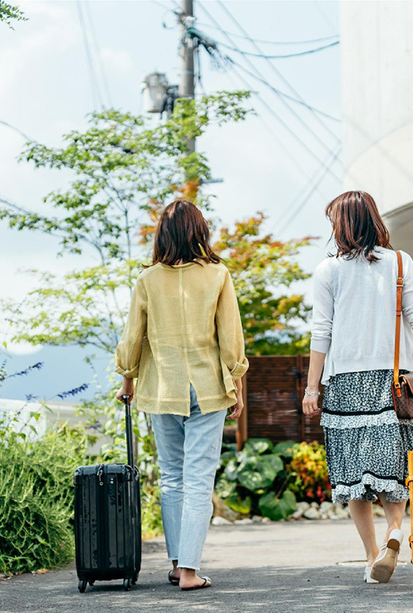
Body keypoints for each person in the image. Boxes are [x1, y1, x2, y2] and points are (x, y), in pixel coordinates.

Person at [302, 190, 413, 585]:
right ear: (374, 219)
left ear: (340, 226)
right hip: (394, 382)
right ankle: (395, 530)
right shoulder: (400, 264)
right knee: (398, 467)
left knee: (353, 475)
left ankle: (371, 555)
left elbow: (321, 332)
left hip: (344, 382)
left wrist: (311, 389)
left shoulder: (327, 270)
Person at [115, 199, 248, 592]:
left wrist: (128, 380)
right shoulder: (218, 275)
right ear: (200, 232)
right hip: (207, 388)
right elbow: (231, 337)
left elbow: (132, 337)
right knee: (198, 479)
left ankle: (178, 566)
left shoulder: (147, 279)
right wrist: (236, 382)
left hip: (161, 388)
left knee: (172, 478)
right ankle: (190, 571)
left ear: (163, 235)